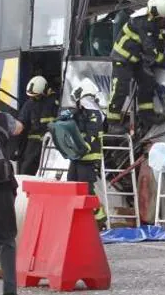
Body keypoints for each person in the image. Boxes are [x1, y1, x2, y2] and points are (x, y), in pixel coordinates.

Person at [107, 0, 165, 134]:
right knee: (120, 88)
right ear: (154, 12)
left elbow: (159, 40)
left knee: (147, 81)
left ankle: (147, 115)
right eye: (161, 18)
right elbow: (149, 47)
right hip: (122, 58)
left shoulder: (153, 20)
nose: (162, 21)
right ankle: (112, 124)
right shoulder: (140, 20)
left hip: (136, 58)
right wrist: (162, 59)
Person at [0, 98, 24, 295]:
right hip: (2, 186)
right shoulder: (3, 120)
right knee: (6, 241)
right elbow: (20, 127)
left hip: (2, 185)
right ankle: (10, 291)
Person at [67, 79, 105, 222]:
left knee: (86, 188)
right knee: (71, 183)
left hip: (88, 156)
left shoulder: (94, 112)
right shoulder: (82, 111)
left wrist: (84, 147)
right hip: (78, 156)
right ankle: (79, 217)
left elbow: (92, 134)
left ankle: (98, 218)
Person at [16, 76, 59, 176]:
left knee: (50, 171)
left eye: (37, 96)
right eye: (32, 96)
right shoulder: (29, 104)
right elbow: (21, 122)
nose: (34, 98)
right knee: (27, 168)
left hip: (51, 142)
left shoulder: (55, 102)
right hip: (33, 143)